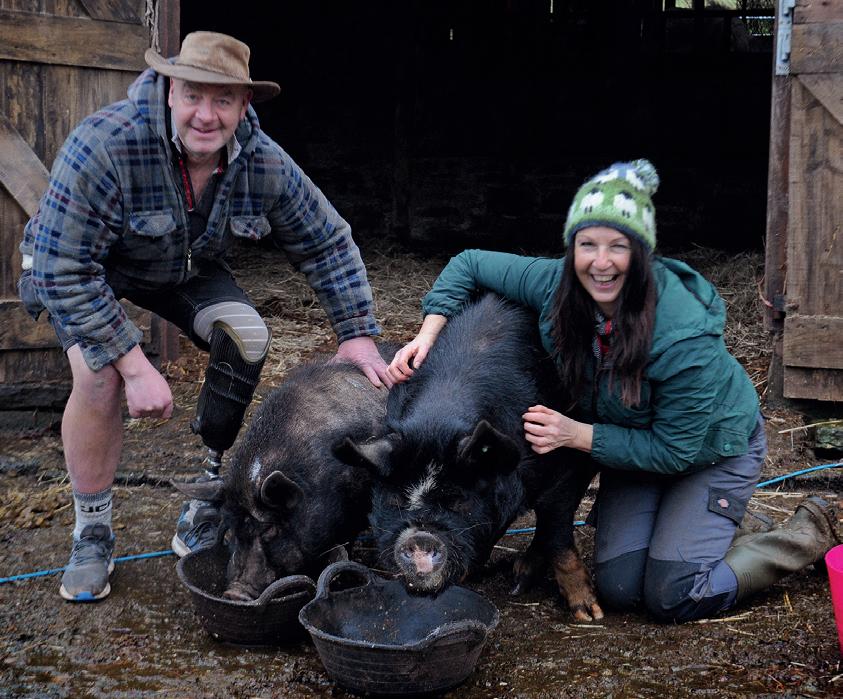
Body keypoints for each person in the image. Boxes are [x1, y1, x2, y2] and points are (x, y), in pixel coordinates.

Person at [18, 31, 392, 602]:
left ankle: (209, 492)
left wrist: (358, 334)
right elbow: (62, 266)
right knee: (98, 374)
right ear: (170, 91)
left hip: (180, 269)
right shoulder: (106, 144)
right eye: (193, 95)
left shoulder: (261, 161)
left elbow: (327, 242)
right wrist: (135, 364)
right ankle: (91, 531)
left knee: (247, 336)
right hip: (82, 271)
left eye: (223, 100)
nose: (206, 115)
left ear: (244, 106)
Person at [388, 159, 840, 623]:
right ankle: (712, 525)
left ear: (642, 254)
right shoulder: (558, 285)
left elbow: (675, 450)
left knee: (674, 594)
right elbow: (468, 264)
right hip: (630, 446)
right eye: (587, 245)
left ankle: (800, 537)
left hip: (708, 451)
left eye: (618, 247)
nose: (600, 263)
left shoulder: (682, 337)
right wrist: (427, 336)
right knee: (621, 588)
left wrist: (575, 434)